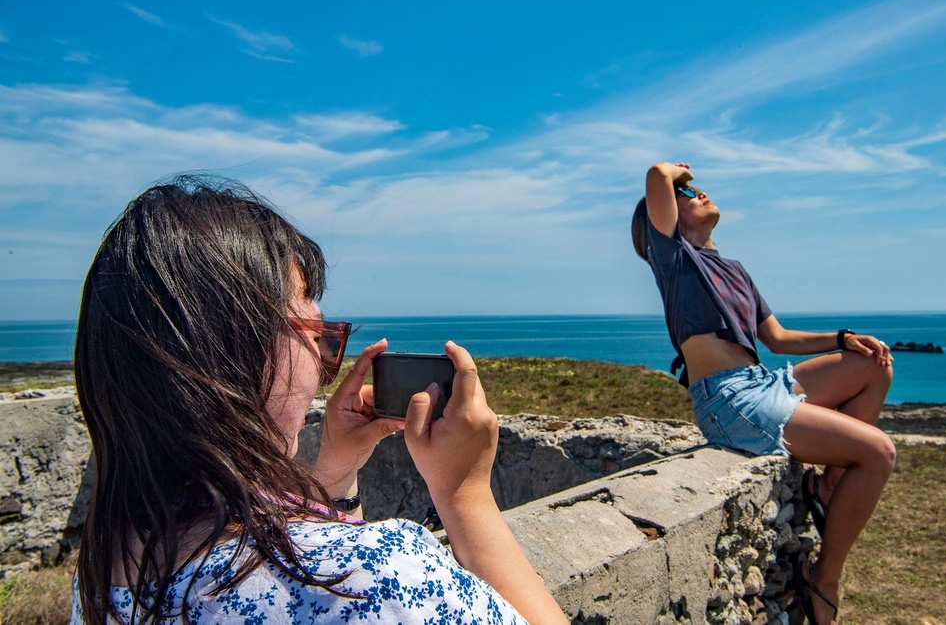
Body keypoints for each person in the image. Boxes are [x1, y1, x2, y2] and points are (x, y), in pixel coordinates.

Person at [71, 176, 569, 624]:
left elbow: (288, 545)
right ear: (240, 349)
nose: (324, 368)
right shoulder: (381, 578)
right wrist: (465, 492)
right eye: (320, 338)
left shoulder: (105, 572)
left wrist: (337, 471)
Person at [631, 162, 896, 625]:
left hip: (763, 383)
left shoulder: (733, 268)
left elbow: (777, 338)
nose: (700, 194)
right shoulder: (673, 259)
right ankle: (825, 574)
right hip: (730, 401)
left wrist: (842, 339)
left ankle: (827, 484)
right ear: (668, 216)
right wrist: (676, 174)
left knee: (872, 367)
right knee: (878, 452)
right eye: (689, 195)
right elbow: (656, 175)